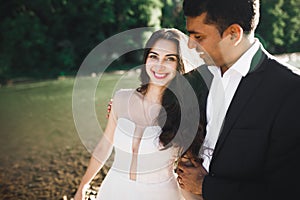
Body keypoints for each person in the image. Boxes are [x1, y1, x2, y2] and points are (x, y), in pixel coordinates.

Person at [176, 0, 300, 200]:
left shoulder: (291, 91)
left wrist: (206, 186)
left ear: (234, 34)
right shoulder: (195, 80)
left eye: (198, 36)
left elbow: (286, 191)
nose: (190, 45)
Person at [74, 28, 204, 200]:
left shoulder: (183, 113)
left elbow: (188, 171)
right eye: (154, 56)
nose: (159, 65)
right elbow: (104, 147)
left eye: (169, 59)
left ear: (179, 65)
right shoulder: (121, 98)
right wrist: (83, 186)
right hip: (114, 190)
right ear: (146, 59)